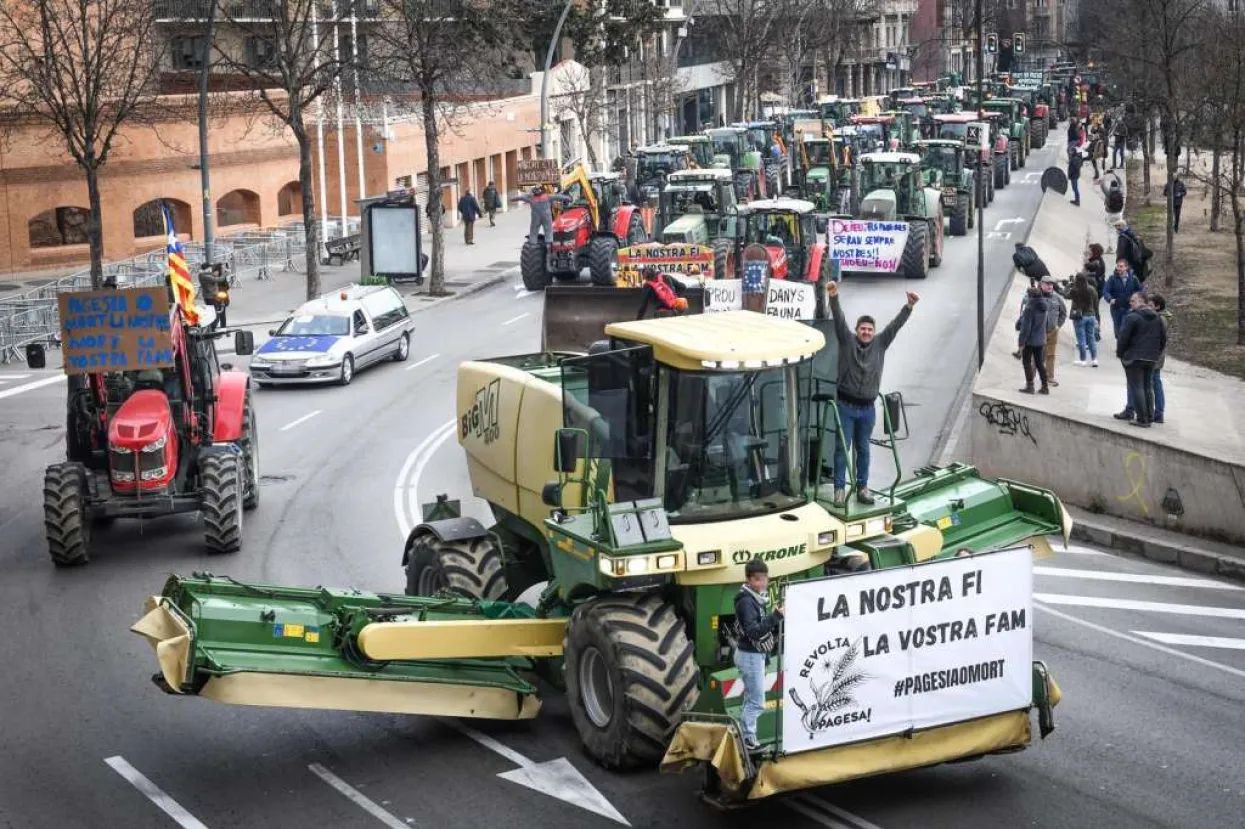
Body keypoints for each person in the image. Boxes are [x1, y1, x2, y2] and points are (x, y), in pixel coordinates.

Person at [826, 281, 917, 506]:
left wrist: (909, 306)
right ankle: (839, 489)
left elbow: (896, 326)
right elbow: (838, 318)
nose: (866, 332)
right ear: (856, 331)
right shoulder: (847, 342)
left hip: (867, 409)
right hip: (845, 408)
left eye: (869, 329)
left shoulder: (880, 344)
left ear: (874, 332)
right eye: (862, 329)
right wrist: (833, 295)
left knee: (863, 450)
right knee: (842, 448)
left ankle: (862, 487)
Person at [733, 559, 784, 751]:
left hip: (752, 654)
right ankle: (748, 739)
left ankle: (744, 735)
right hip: (750, 656)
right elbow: (753, 631)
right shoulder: (747, 602)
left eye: (764, 579)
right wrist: (776, 616)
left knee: (750, 697)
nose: (762, 583)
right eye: (757, 580)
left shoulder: (754, 597)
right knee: (757, 702)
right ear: (748, 579)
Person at [1114, 292, 1166, 427]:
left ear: (1141, 301)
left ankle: (1142, 419)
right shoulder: (1158, 318)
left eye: (1133, 301)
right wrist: (1156, 353)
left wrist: (1121, 354)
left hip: (1135, 357)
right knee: (1147, 387)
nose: (1130, 303)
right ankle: (1149, 416)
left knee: (1137, 387)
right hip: (1151, 357)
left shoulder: (1132, 317)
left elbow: (1123, 338)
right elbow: (1163, 339)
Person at [1017, 287, 1050, 394]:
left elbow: (1026, 327)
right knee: (1039, 363)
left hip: (1030, 341)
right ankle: (1045, 387)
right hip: (1040, 340)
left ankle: (1030, 386)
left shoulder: (1029, 308)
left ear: (1030, 296)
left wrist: (1021, 342)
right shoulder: (1044, 306)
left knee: (1026, 362)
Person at [1103, 257, 1142, 337]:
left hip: (1129, 308)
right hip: (1116, 309)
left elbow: (1140, 290)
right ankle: (1120, 345)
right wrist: (1110, 298)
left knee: (1126, 330)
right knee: (1117, 332)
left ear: (1126, 267)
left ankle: (1125, 348)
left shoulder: (1133, 278)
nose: (1119, 268)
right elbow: (1106, 291)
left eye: (1121, 266)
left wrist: (1135, 299)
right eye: (1118, 266)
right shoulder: (1112, 279)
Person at [1040, 275, 1068, 385]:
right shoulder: (1035, 297)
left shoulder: (1057, 298)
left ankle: (1050, 377)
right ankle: (1030, 379)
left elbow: (1063, 313)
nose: (1049, 286)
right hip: (1038, 332)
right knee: (1036, 355)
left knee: (1050, 355)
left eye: (1051, 284)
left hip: (1052, 332)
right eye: (1047, 284)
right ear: (1041, 284)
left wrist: (1058, 326)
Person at [1067, 272, 1100, 367]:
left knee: (1081, 338)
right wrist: (1097, 318)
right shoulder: (1092, 289)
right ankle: (1094, 360)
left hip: (1080, 316)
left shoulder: (1075, 290)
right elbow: (1096, 305)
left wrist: (1069, 285)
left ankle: (1083, 360)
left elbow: (1065, 295)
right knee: (1091, 338)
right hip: (1091, 316)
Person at [1149, 293, 1171, 423]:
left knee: (1153, 384)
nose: (1148, 307)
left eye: (1151, 305)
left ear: (1157, 307)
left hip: (1155, 356)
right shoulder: (1161, 317)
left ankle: (1157, 412)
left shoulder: (1160, 320)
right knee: (1156, 382)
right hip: (1157, 355)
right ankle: (1158, 412)